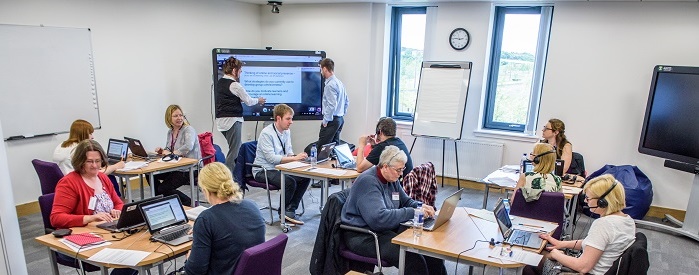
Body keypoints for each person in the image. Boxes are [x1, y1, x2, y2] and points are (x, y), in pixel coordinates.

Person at [341, 146, 446, 275]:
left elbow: (406, 201)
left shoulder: (391, 179)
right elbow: (379, 219)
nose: (401, 173)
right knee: (413, 260)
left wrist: (420, 206)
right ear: (385, 166)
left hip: (384, 231)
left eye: (402, 169)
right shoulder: (368, 182)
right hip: (364, 236)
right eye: (398, 170)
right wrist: (412, 211)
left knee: (431, 253)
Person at [50, 139, 137, 275]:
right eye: (90, 161)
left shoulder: (102, 178)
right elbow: (56, 218)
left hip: (106, 233)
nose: (95, 165)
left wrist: (117, 211)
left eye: (98, 161)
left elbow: (118, 202)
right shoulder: (69, 183)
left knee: (137, 250)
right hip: (80, 240)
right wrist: (89, 218)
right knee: (131, 256)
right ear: (80, 161)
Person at [523, 174, 636, 275]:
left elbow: (583, 267)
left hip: (587, 271)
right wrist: (561, 244)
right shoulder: (627, 220)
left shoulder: (604, 224)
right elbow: (595, 244)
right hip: (604, 270)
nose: (586, 201)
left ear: (603, 201)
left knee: (532, 265)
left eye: (588, 198)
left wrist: (555, 254)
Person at [184, 162, 265, 275]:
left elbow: (195, 271)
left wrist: (189, 258)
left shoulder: (206, 219)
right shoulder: (252, 205)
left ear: (206, 191)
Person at [252, 104, 310, 225]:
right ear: (278, 118)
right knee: (289, 182)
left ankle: (290, 209)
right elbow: (271, 158)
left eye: (291, 119)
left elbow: (289, 152)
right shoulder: (267, 133)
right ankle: (283, 213)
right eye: (288, 119)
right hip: (263, 170)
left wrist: (297, 158)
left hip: (279, 168)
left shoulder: (286, 132)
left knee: (305, 176)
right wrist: (294, 159)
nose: (291, 122)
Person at [215, 56, 266, 173]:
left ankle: (239, 175)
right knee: (235, 151)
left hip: (221, 122)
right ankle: (227, 179)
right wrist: (259, 100)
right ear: (234, 71)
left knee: (235, 149)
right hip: (233, 120)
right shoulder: (235, 85)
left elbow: (227, 99)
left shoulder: (220, 82)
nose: (240, 73)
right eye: (240, 70)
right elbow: (248, 101)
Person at [153, 104, 201, 206]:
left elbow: (188, 146)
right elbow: (169, 148)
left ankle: (190, 203)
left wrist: (171, 153)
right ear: (169, 118)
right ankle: (163, 199)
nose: (179, 118)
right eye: (175, 116)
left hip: (189, 168)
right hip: (176, 166)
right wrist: (162, 151)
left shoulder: (188, 129)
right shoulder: (170, 132)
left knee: (164, 188)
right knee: (151, 175)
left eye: (181, 115)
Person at [53, 119, 125, 175]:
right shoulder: (78, 150)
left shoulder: (61, 145)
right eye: (90, 133)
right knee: (110, 177)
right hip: (78, 184)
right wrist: (116, 166)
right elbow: (95, 174)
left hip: (65, 182)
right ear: (83, 134)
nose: (92, 137)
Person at [317, 58, 349, 147]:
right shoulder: (339, 83)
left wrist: (326, 120)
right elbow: (346, 101)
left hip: (331, 120)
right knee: (334, 148)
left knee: (322, 149)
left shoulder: (330, 85)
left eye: (321, 69)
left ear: (324, 69)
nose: (321, 72)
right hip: (339, 119)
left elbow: (331, 105)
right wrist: (341, 114)